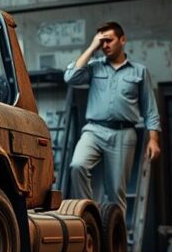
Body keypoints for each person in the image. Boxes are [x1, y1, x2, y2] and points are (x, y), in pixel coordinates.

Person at [65, 22, 161, 213]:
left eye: (109, 40)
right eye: (102, 42)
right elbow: (70, 77)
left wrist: (153, 140)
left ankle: (116, 239)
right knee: (77, 165)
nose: (105, 45)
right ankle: (90, 215)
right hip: (94, 130)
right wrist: (92, 47)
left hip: (123, 133)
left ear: (122, 40)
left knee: (117, 191)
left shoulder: (139, 71)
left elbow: (150, 109)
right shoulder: (94, 67)